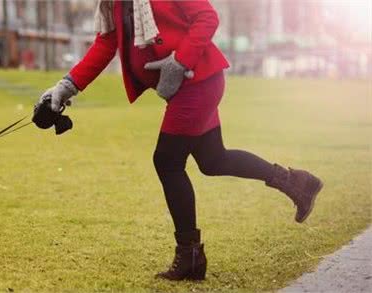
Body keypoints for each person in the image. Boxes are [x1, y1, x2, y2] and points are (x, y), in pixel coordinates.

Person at [35, 0, 323, 281]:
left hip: (197, 81)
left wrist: (179, 60)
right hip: (186, 87)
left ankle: (190, 256)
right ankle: (298, 183)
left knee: (167, 161)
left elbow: (207, 17)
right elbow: (107, 43)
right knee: (213, 160)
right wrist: (67, 86)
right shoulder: (117, 3)